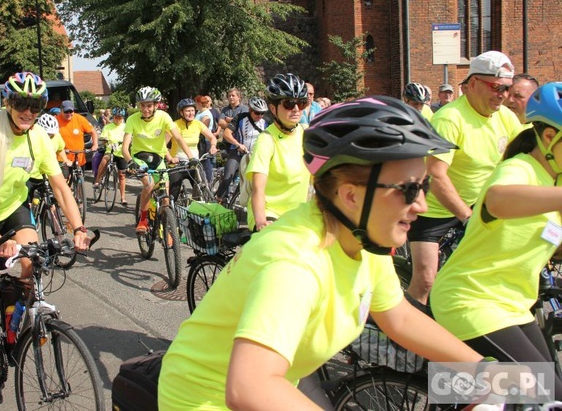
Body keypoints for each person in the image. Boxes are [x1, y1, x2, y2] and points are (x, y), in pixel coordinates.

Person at [158, 96, 489, 410]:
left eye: (424, 186)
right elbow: (249, 386)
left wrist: (494, 377)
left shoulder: (363, 239)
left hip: (280, 378)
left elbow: (398, 317)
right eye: (409, 188)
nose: (421, 204)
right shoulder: (295, 263)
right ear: (350, 196)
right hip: (202, 400)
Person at [0, 72, 90, 406]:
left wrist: (78, 227)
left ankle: (16, 314)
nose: (28, 111)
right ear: (8, 102)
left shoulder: (39, 138)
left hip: (13, 209)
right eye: (21, 103)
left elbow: (60, 186)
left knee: (32, 261)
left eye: (35, 104)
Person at [429, 82, 562, 398]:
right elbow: (498, 199)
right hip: (471, 301)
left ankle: (459, 394)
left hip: (513, 304)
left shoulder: (555, 178)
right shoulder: (521, 169)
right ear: (548, 138)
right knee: (548, 395)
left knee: (540, 393)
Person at [407, 51, 523, 306]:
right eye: (496, 87)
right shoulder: (450, 118)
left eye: (507, 88)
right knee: (426, 279)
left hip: (480, 204)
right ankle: (401, 342)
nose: (502, 94)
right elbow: (436, 177)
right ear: (472, 84)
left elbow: (525, 158)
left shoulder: (505, 117)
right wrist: (467, 217)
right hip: (436, 210)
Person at [122, 87, 193, 234]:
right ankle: (143, 219)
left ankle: (167, 229)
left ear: (156, 105)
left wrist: (191, 157)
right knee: (148, 183)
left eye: (149, 105)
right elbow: (124, 148)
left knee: (166, 199)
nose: (145, 109)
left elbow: (178, 137)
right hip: (139, 157)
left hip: (158, 158)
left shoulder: (163, 117)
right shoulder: (132, 120)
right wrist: (130, 161)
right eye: (142, 105)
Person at [245, 74, 310, 231]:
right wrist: (261, 221)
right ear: (273, 108)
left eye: (301, 104)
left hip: (298, 215)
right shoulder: (266, 140)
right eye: (289, 104)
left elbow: (322, 178)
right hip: (269, 214)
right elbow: (258, 189)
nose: (296, 109)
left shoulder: (307, 134)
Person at [215, 97, 268, 202]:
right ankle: (217, 200)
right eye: (257, 113)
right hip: (237, 152)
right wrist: (238, 144)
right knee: (228, 177)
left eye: (262, 113)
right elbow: (226, 134)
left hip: (254, 155)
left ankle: (234, 202)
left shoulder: (266, 121)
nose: (260, 116)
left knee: (247, 181)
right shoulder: (240, 118)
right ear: (250, 110)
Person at [166, 98, 218, 202]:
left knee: (201, 192)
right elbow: (162, 145)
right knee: (173, 194)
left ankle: (195, 214)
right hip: (177, 165)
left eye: (193, 110)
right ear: (181, 112)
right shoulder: (174, 125)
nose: (191, 113)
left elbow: (212, 137)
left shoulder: (198, 124)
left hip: (194, 163)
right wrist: (170, 158)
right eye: (188, 111)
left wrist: (213, 146)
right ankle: (169, 214)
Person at [94, 107, 128, 205]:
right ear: (113, 117)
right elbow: (103, 137)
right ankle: (97, 181)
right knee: (105, 160)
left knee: (122, 175)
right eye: (116, 117)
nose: (118, 119)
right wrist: (105, 139)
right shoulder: (108, 127)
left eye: (120, 118)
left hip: (121, 152)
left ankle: (122, 198)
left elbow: (130, 137)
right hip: (110, 150)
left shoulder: (126, 127)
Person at [55, 100, 98, 176]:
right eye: (66, 112)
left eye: (70, 111)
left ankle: (79, 186)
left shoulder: (80, 119)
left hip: (79, 155)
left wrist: (95, 145)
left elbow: (93, 132)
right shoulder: (56, 120)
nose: (69, 114)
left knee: (79, 177)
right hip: (63, 156)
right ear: (61, 111)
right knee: (65, 181)